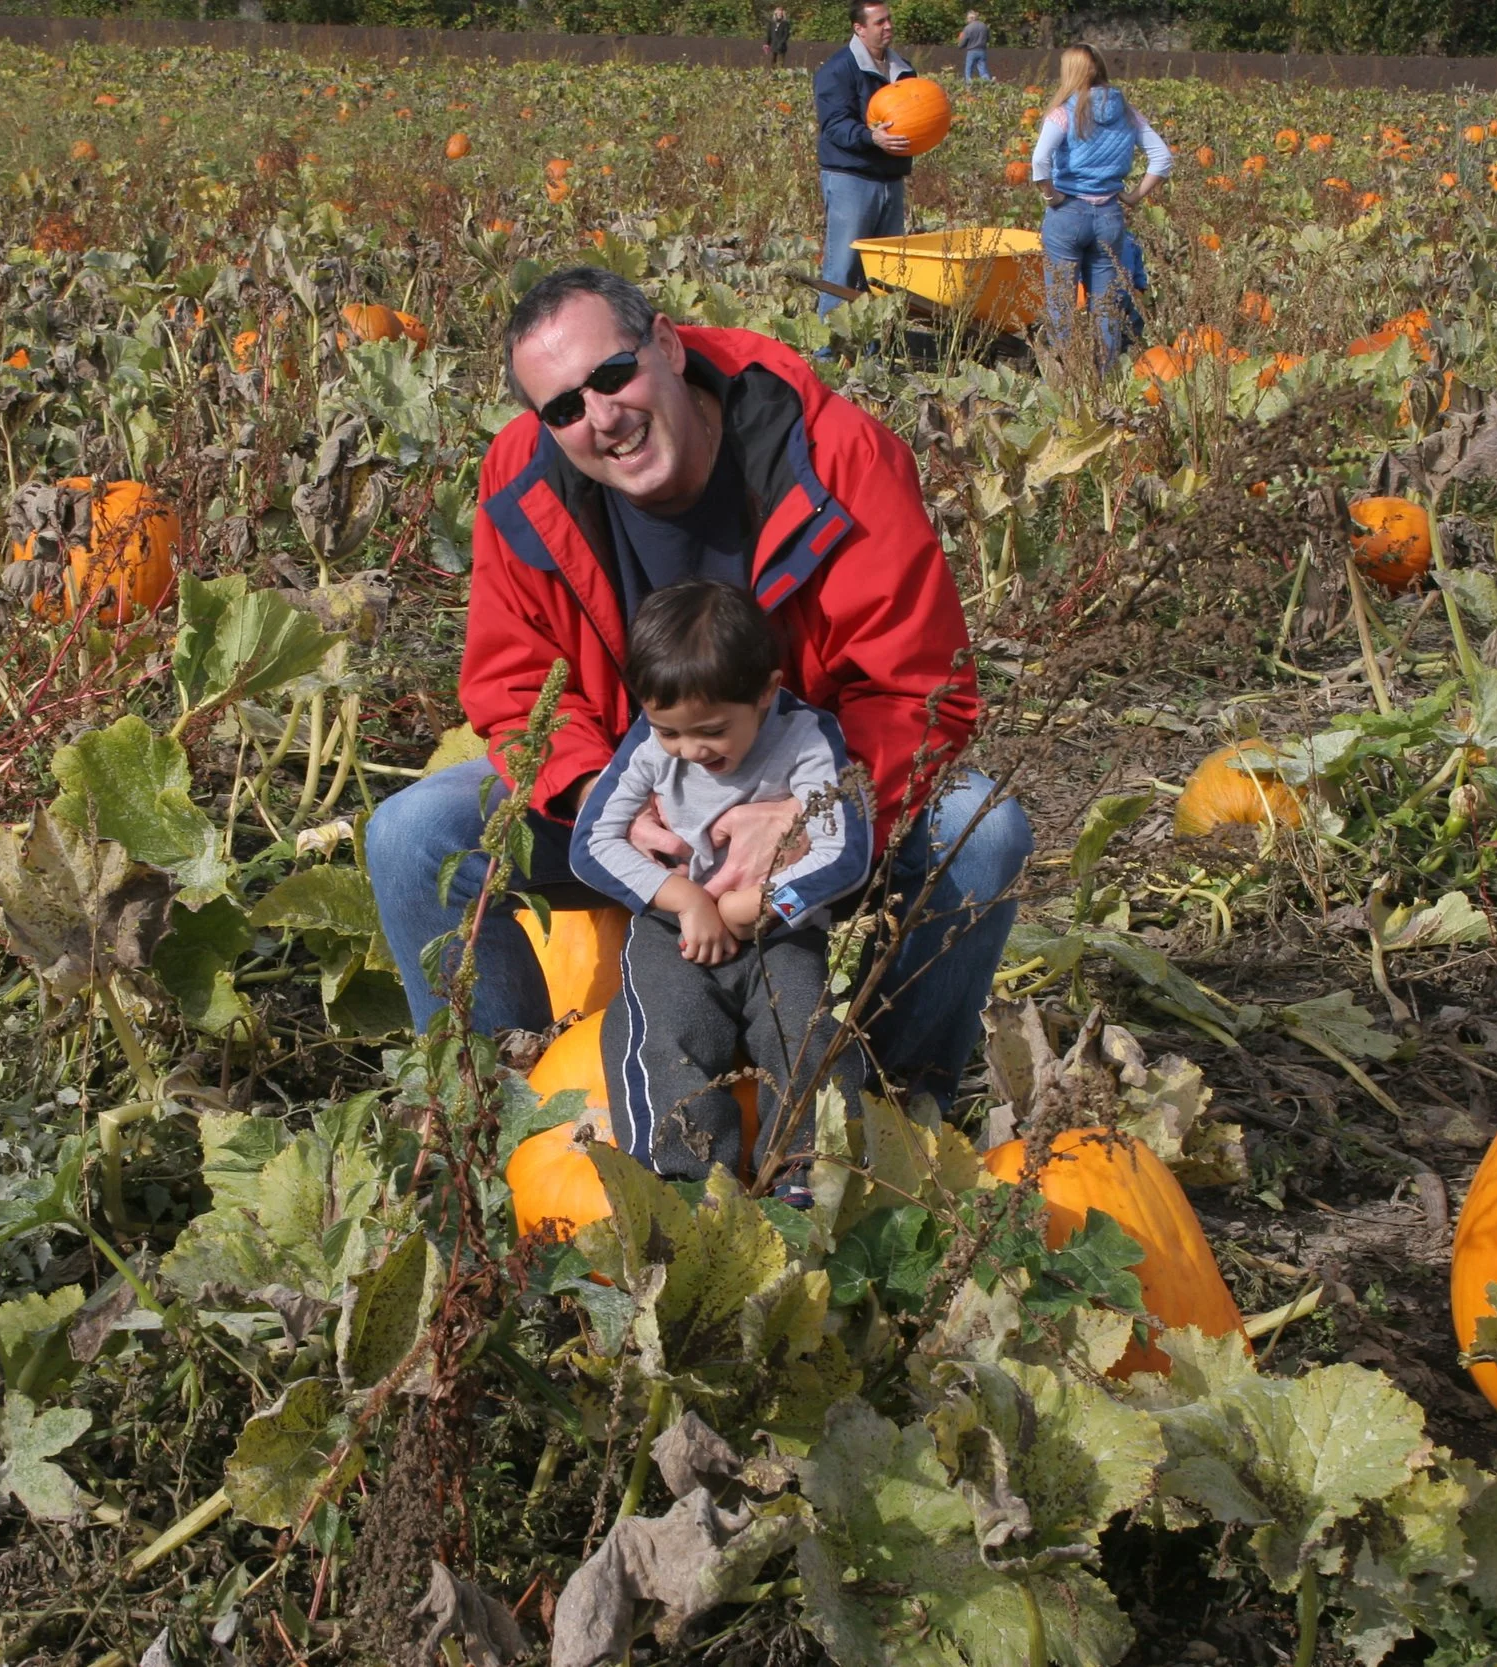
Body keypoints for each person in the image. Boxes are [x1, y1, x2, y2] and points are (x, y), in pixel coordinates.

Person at [364, 266, 1032, 1109]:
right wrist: (604, 798)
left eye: (613, 376)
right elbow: (515, 684)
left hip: (811, 790)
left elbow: (919, 692)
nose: (601, 417)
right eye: (564, 408)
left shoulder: (833, 456)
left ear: (669, 345)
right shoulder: (520, 483)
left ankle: (891, 1117)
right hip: (630, 795)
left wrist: (812, 809)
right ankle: (501, 1120)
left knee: (985, 833)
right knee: (411, 836)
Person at [571, 581, 870, 1196]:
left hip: (780, 929)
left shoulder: (809, 739)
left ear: (764, 692)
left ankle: (806, 1183)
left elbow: (845, 851)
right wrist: (686, 900)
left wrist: (759, 905)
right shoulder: (649, 745)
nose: (689, 749)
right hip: (673, 925)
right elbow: (591, 843)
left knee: (809, 1031)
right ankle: (682, 1187)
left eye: (710, 730)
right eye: (669, 732)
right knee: (662, 1032)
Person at [1028, 44, 1170, 365]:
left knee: (1061, 303)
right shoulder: (1128, 112)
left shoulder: (1064, 112)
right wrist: (1134, 196)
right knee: (1105, 306)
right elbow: (1162, 158)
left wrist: (1051, 196)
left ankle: (1069, 376)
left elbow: (1039, 161)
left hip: (1068, 213)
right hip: (1109, 215)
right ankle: (1104, 379)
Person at [811, 1, 917, 318]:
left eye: (889, 20)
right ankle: (827, 350)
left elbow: (916, 114)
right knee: (842, 266)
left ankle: (873, 349)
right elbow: (834, 125)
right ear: (859, 28)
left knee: (884, 271)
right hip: (850, 179)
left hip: (890, 178)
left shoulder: (904, 69)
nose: (888, 27)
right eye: (879, 22)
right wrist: (871, 136)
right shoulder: (838, 69)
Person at [959, 10, 991, 80]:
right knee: (983, 70)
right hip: (982, 51)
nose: (967, 20)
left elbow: (964, 40)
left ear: (971, 18)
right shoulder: (984, 26)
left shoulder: (968, 28)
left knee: (969, 71)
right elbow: (988, 39)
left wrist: (960, 46)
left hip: (972, 51)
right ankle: (988, 85)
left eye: (967, 18)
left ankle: (969, 86)